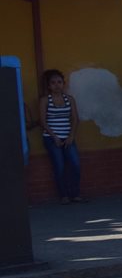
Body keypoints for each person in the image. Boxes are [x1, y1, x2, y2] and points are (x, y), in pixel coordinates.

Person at [38, 69, 83, 204]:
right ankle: (63, 195)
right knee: (59, 166)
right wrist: (54, 137)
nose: (57, 85)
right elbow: (42, 121)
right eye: (53, 83)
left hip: (68, 137)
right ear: (49, 85)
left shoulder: (69, 99)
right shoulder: (45, 100)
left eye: (59, 82)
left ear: (63, 83)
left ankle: (75, 194)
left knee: (75, 164)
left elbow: (75, 119)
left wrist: (71, 136)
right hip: (52, 138)